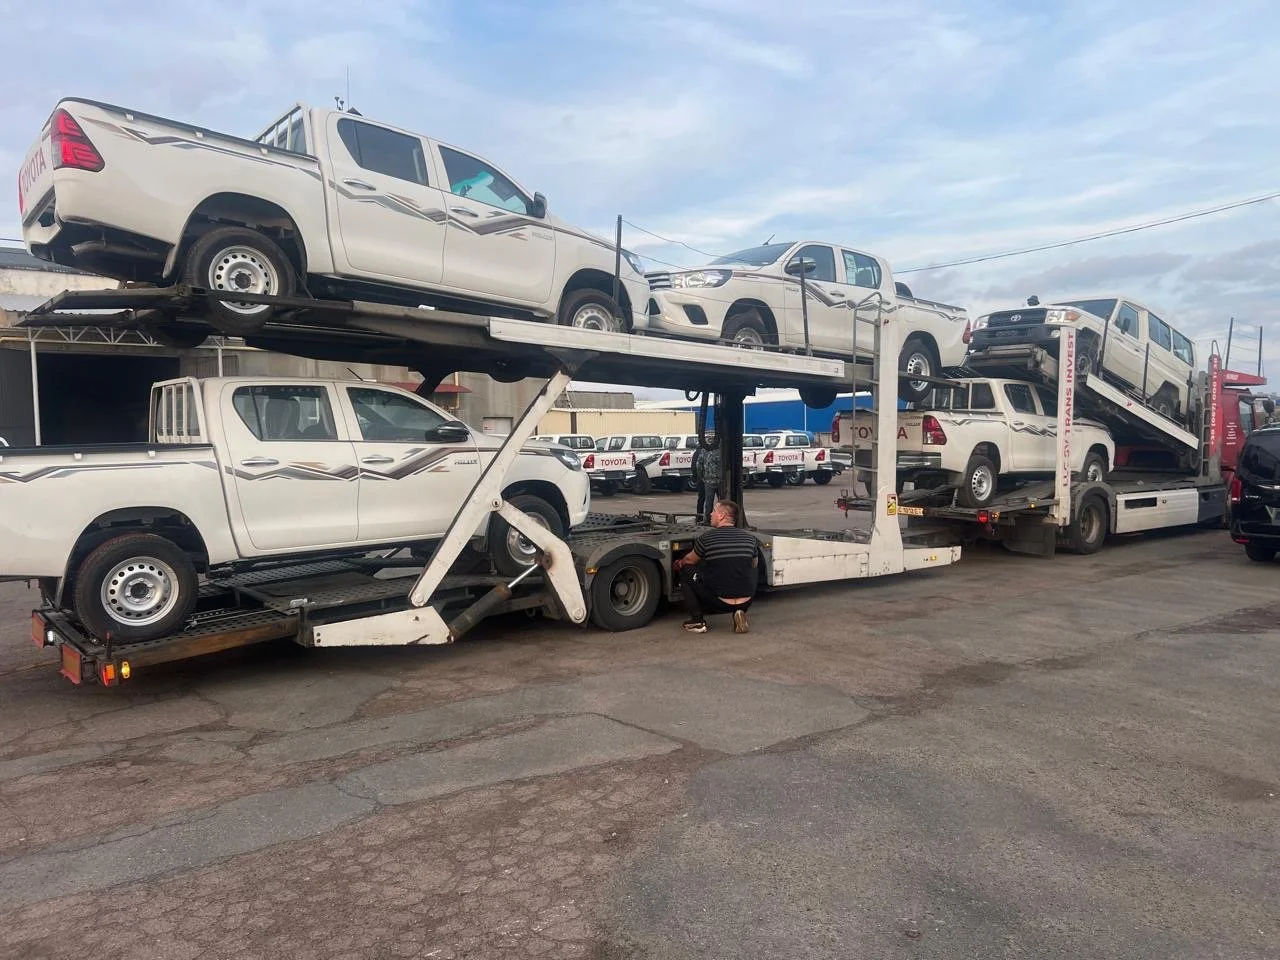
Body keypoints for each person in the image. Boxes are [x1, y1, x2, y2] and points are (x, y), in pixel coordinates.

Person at [672, 499, 759, 634]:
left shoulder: (707, 538)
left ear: (721, 516)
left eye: (713, 511)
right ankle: (739, 611)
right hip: (747, 600)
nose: (710, 514)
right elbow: (754, 565)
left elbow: (689, 560)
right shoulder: (750, 539)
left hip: (718, 602)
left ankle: (697, 621)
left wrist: (679, 563)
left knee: (685, 569)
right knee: (750, 566)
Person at [696, 435, 721, 524]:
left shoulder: (704, 450)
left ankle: (707, 520)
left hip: (708, 480)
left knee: (709, 502)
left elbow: (698, 465)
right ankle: (721, 519)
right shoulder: (721, 450)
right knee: (722, 502)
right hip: (721, 481)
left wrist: (701, 476)